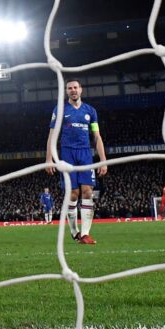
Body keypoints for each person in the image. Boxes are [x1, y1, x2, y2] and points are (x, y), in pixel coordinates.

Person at [45, 79, 106, 245]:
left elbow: (97, 136)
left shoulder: (90, 111)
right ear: (67, 92)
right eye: (70, 88)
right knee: (73, 193)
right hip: (67, 154)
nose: (73, 90)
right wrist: (49, 158)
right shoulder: (60, 110)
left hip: (85, 154)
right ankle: (74, 231)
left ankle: (85, 234)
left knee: (87, 191)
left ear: (81, 90)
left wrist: (103, 160)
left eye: (75, 87)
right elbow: (52, 135)